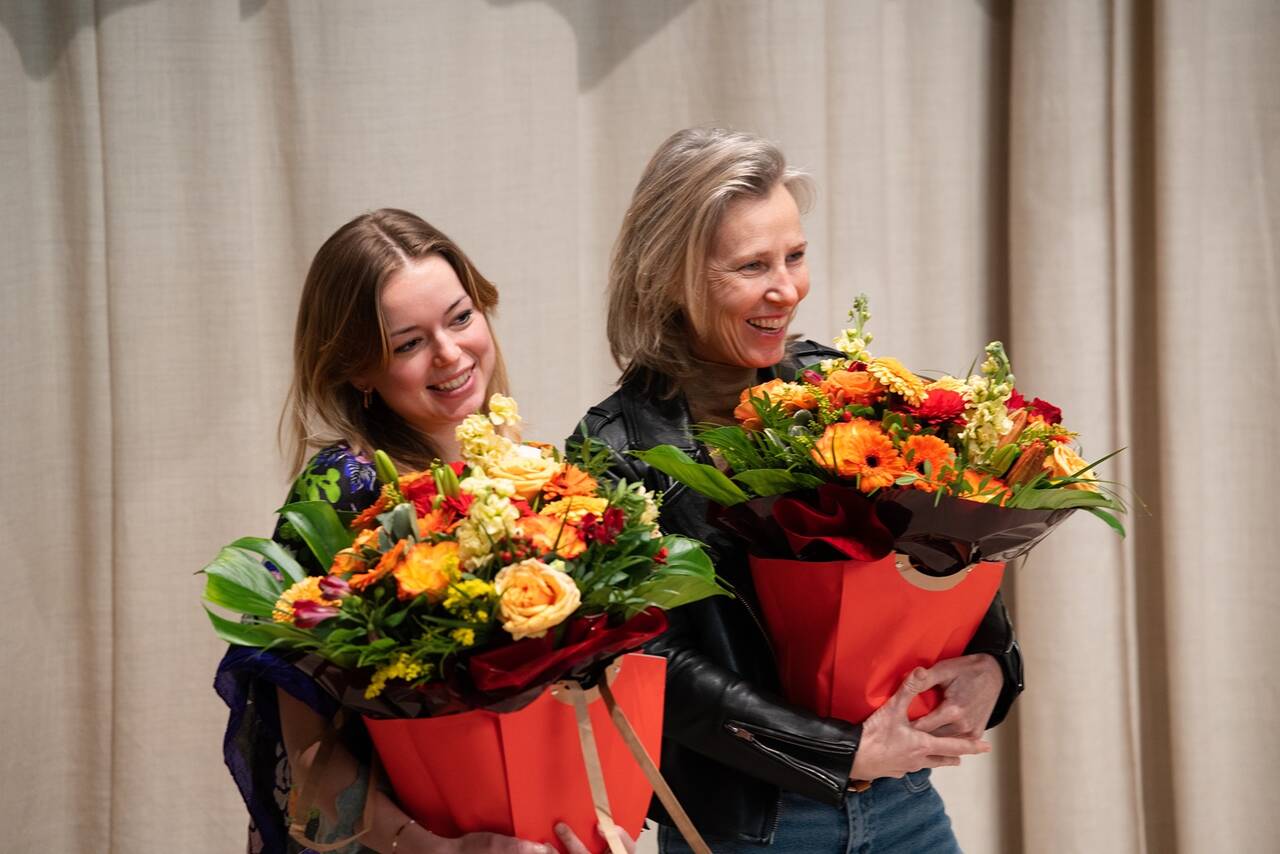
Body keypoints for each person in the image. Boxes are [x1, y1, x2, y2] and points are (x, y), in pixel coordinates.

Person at [570, 129, 1025, 853]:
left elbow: (940, 549)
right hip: (755, 829)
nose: (787, 289)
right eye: (752, 266)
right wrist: (842, 752)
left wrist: (994, 665)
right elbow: (656, 666)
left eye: (795, 255)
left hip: (905, 804)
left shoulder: (837, 385)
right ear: (668, 278)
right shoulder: (614, 451)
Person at [215, 209, 628, 854]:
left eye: (460, 318)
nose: (451, 353)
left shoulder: (520, 468)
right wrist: (443, 850)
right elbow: (307, 756)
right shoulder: (344, 486)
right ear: (357, 370)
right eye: (408, 343)